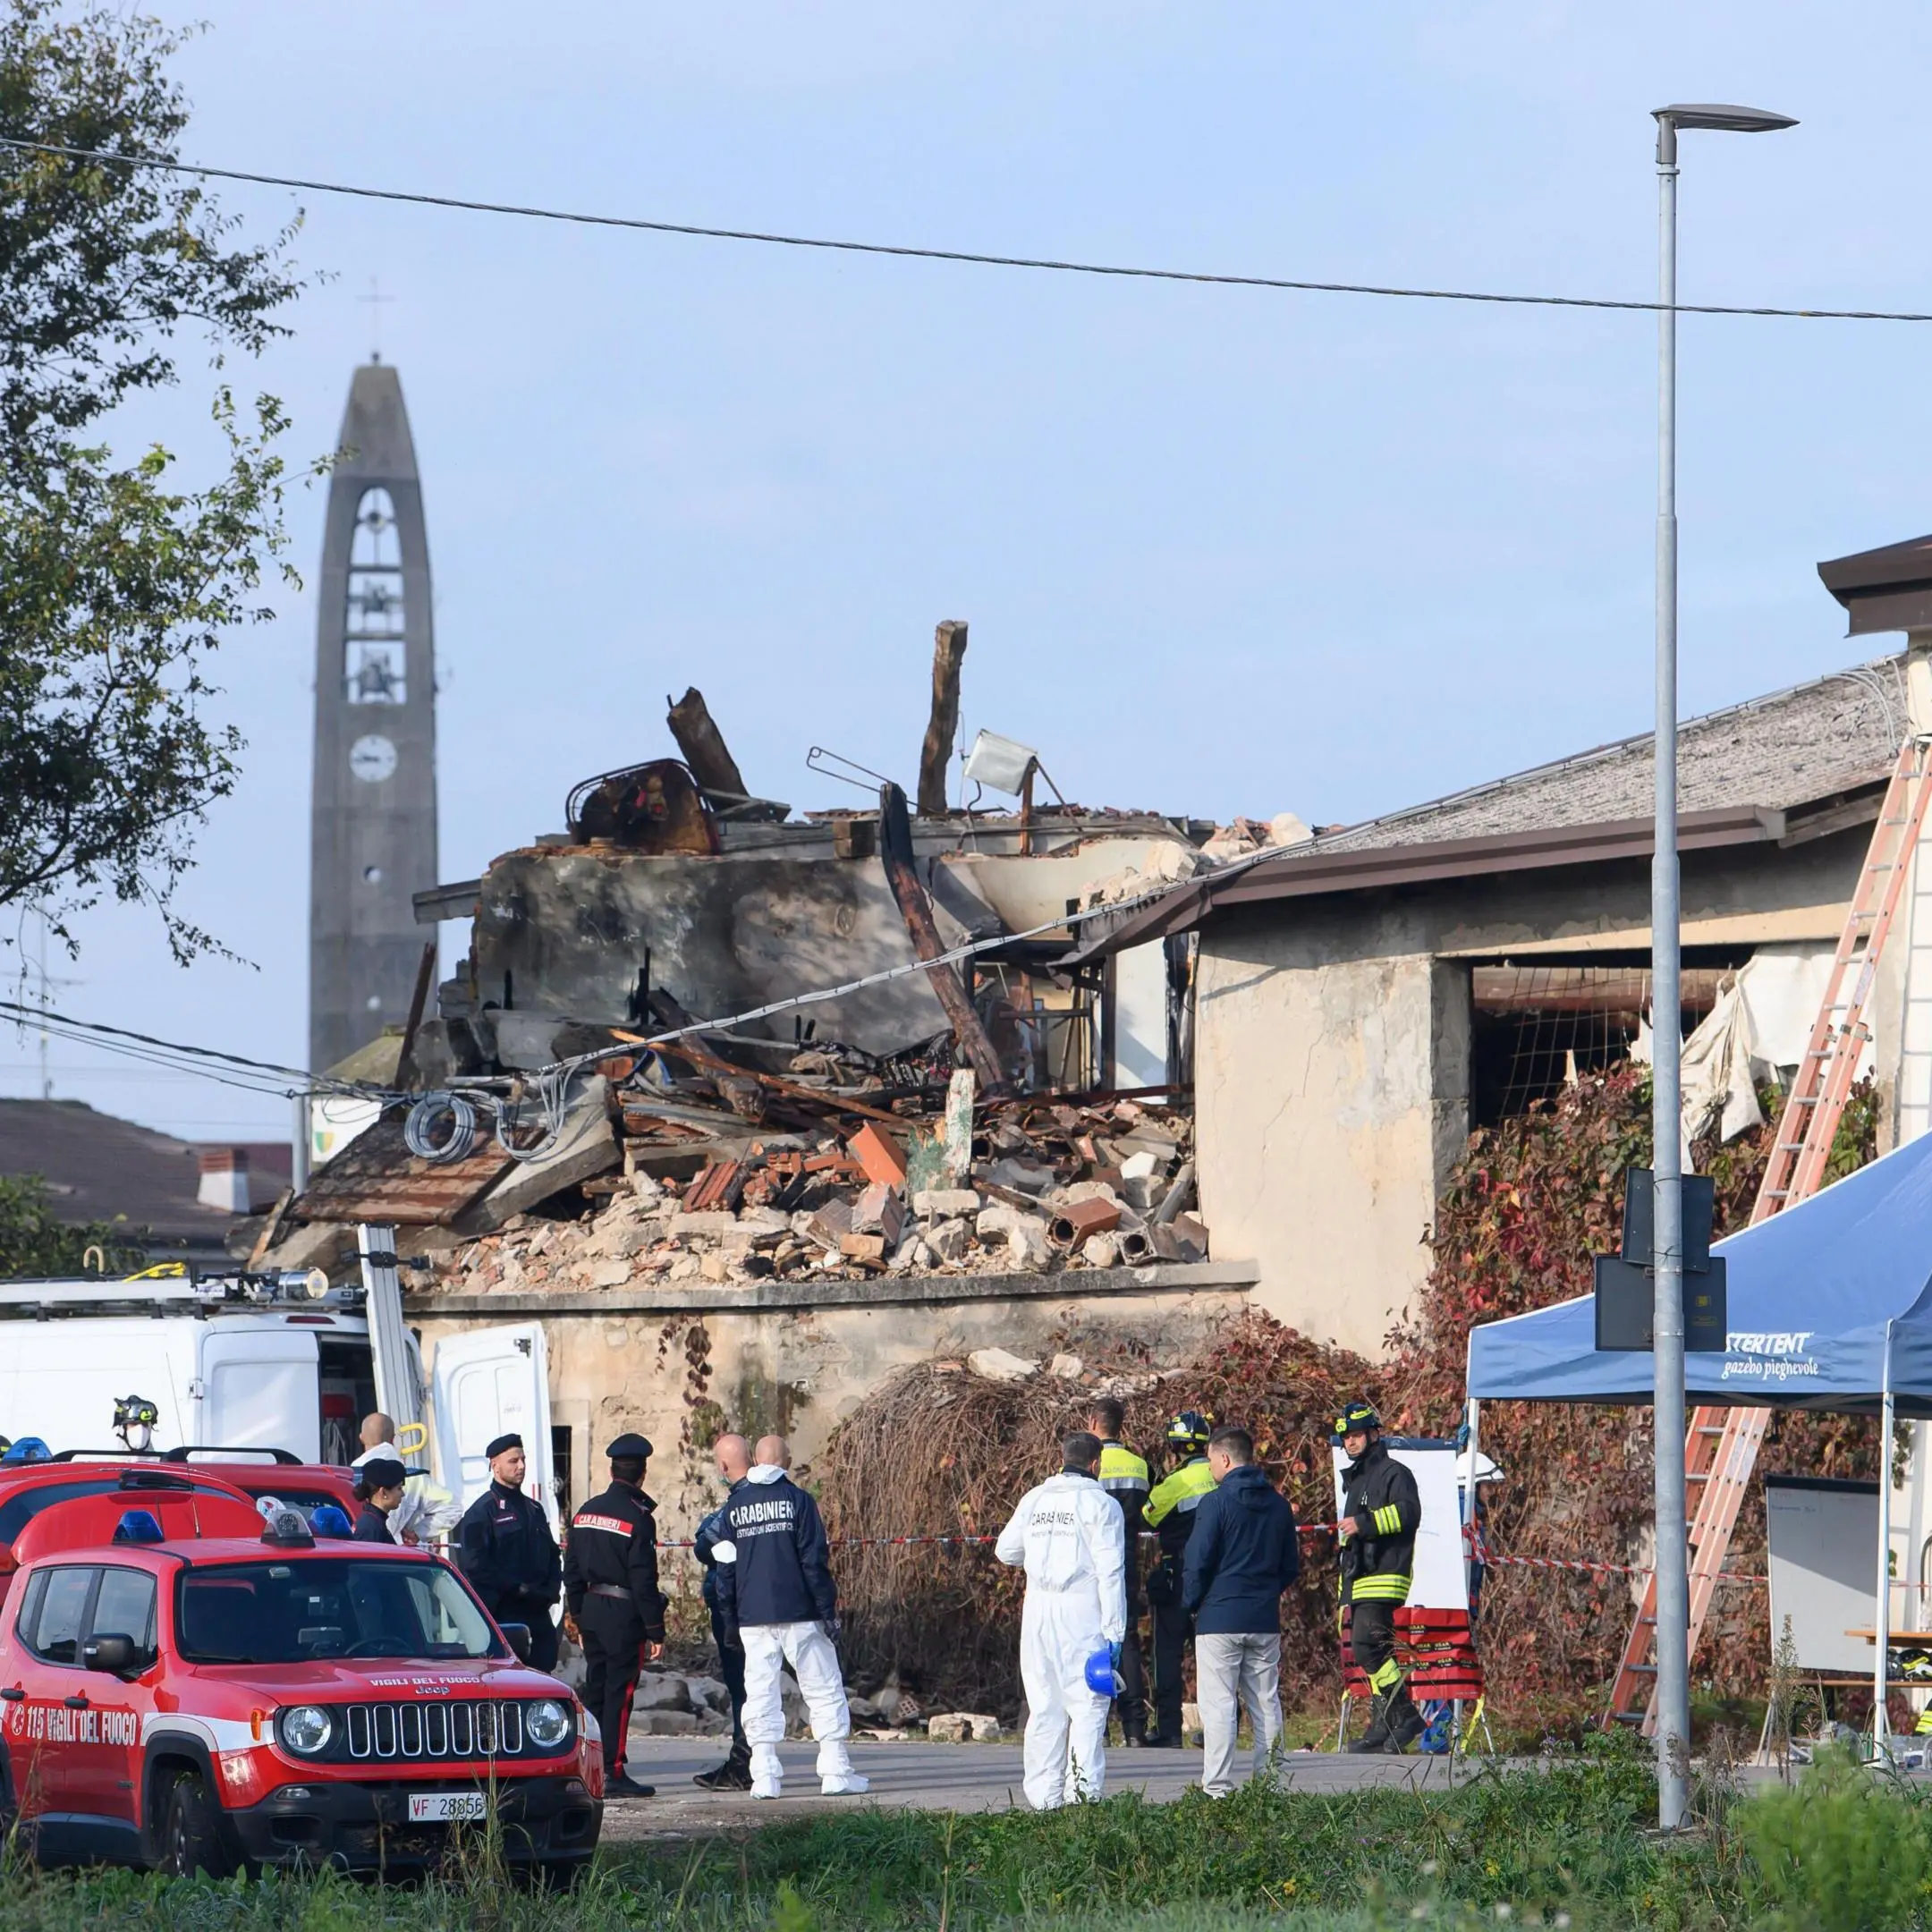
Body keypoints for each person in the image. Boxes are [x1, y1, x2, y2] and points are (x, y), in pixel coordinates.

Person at [711, 1435, 868, 1800]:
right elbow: (814, 1562)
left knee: (760, 1693)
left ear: (755, 1462)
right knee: (823, 1687)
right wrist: (828, 1611)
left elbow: (726, 1572)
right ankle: (835, 1771)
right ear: (788, 1462)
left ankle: (764, 1777)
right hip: (800, 1612)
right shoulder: (799, 1501)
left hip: (753, 1616)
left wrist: (730, 1618)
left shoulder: (734, 1509)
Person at [996, 1430, 1127, 1809]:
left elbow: (1006, 1551)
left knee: (1044, 1705)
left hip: (1037, 1611)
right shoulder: (1101, 1505)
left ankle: (1043, 1800)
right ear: (1096, 1464)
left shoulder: (1034, 1498)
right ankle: (1082, 1798)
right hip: (1081, 1611)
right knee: (1087, 1705)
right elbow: (1111, 1571)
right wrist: (1115, 1632)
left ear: (1062, 1457)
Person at [1181, 1425, 1299, 1797]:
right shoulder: (1279, 1505)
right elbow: (1289, 1567)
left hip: (1219, 1619)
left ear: (1226, 1458)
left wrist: (1191, 1603)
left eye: (1211, 1460)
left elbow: (1197, 1561)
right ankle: (1270, 1785)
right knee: (1266, 1704)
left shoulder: (1215, 1503)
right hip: (1263, 1619)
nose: (1210, 1467)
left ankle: (1217, 1788)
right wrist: (1264, 1593)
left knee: (1218, 1706)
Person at [561, 1432, 668, 1799]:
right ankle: (613, 1770)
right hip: (624, 1615)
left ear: (611, 1469)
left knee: (596, 1691)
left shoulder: (585, 1511)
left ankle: (590, 1765)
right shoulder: (638, 1518)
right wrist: (656, 1630)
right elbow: (643, 1580)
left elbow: (571, 1569)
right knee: (619, 1694)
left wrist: (576, 1615)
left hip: (592, 1609)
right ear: (642, 1472)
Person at [1334, 1401, 1424, 1754]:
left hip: (1384, 1575)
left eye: (1356, 1435)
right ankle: (1382, 1726)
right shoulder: (1357, 1480)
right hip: (1361, 1578)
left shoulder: (1393, 1473)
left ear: (1373, 1434)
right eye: (1346, 1437)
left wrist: (1363, 1524)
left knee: (1366, 1646)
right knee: (1377, 1652)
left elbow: (1408, 1513)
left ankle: (1407, 1715)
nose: (1350, 1442)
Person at [455, 1433, 564, 1672]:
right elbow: (475, 1565)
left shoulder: (533, 1509)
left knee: (543, 1676)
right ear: (495, 1466)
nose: (522, 1466)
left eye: (523, 1460)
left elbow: (552, 1553)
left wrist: (551, 1590)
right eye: (513, 1461)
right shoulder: (482, 1512)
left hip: (538, 1612)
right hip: (504, 1615)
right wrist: (516, 1588)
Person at [1141, 1411, 1216, 1747]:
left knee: (1168, 1654)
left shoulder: (1174, 1484)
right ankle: (1217, 1727)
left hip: (1178, 1577)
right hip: (1217, 1578)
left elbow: (1149, 1514)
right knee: (1216, 1655)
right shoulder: (1221, 1475)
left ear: (1174, 1445)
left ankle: (1168, 1730)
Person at [1085, 1397, 1151, 1747]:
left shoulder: (1088, 1464)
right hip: (1126, 1563)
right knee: (1126, 1642)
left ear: (1093, 1423)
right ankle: (1135, 1729)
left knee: (1088, 1642)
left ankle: (1098, 1728)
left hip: (1089, 1566)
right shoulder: (1140, 1466)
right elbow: (1148, 1515)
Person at [692, 1432, 754, 1791]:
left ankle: (744, 1763)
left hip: (735, 1610)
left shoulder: (736, 1507)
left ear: (724, 1466)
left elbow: (705, 1545)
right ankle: (752, 1760)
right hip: (766, 1606)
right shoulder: (782, 1499)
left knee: (743, 1688)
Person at [354, 1411, 461, 1545]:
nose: (402, 1493)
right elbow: (453, 1507)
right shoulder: (414, 1477)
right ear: (393, 1438)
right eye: (399, 1488)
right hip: (400, 1555)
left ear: (361, 1438)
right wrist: (417, 1533)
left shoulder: (347, 1476)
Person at [352, 1456, 409, 1544]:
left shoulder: (373, 1522)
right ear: (383, 1493)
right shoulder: (371, 1528)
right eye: (399, 1488)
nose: (403, 1494)